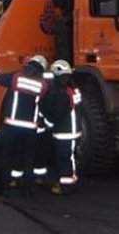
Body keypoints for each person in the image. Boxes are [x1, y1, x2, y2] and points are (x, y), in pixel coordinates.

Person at [0, 54, 47, 197]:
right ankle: (27, 190)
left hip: (11, 126)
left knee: (7, 157)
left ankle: (3, 188)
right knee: (28, 159)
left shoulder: (15, 77)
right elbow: (43, 104)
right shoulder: (42, 84)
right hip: (30, 128)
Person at [38, 59, 82, 195]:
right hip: (73, 129)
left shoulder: (61, 92)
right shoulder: (73, 88)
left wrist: (46, 124)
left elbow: (57, 113)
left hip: (65, 131)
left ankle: (66, 185)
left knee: (64, 158)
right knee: (69, 157)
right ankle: (67, 181)